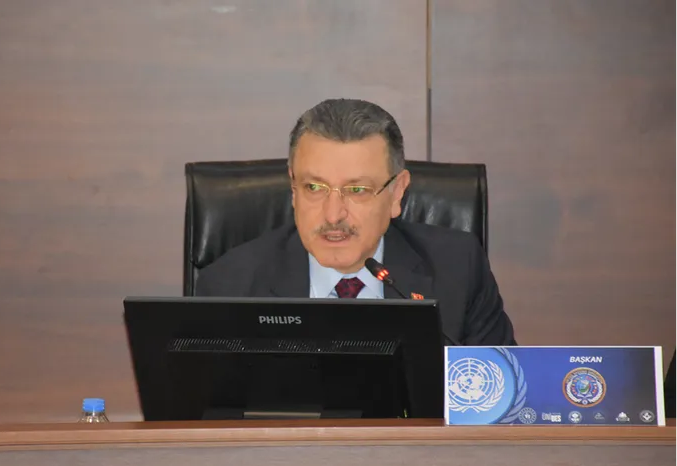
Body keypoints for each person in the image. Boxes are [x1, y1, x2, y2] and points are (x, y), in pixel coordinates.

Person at [196, 98, 516, 345]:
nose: (333, 215)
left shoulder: (458, 270)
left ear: (397, 193)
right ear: (293, 188)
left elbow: (502, 396)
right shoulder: (229, 287)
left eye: (357, 190)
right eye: (314, 188)